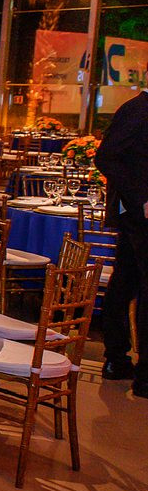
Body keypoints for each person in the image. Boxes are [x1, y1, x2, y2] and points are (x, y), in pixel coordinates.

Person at [94, 89, 148, 393]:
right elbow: (106, 157)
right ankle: (144, 376)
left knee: (124, 285)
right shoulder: (137, 109)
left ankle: (116, 359)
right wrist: (141, 198)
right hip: (138, 216)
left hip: (134, 217)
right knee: (133, 288)